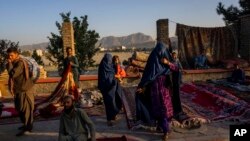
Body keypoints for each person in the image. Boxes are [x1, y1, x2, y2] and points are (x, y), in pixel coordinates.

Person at [136, 41, 178, 141]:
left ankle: (165, 129)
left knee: (165, 110)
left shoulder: (167, 59)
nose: (160, 52)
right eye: (159, 50)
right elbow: (147, 75)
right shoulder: (152, 60)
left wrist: (167, 63)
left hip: (165, 89)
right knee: (158, 110)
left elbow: (176, 69)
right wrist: (142, 86)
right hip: (154, 89)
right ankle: (164, 129)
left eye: (162, 50)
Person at [6, 47, 35, 136]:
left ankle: (28, 128)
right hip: (18, 89)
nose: (9, 57)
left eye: (12, 55)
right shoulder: (14, 63)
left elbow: (13, 74)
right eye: (8, 55)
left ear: (17, 54)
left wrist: (9, 64)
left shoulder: (20, 63)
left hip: (25, 89)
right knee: (20, 108)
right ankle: (25, 125)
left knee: (26, 110)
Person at [98, 53, 123, 126]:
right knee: (108, 103)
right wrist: (112, 78)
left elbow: (114, 73)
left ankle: (114, 115)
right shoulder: (102, 67)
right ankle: (109, 119)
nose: (109, 61)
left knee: (115, 100)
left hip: (112, 87)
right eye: (107, 60)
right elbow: (104, 79)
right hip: (105, 88)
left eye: (110, 60)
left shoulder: (111, 66)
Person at [171, 52, 186, 120]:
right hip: (173, 76)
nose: (175, 57)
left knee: (177, 89)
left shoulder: (177, 61)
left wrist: (182, 70)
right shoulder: (171, 61)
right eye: (174, 56)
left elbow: (180, 67)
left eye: (175, 56)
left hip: (177, 76)